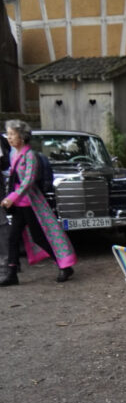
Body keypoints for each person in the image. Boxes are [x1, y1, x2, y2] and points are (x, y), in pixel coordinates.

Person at [0, 119, 76, 285]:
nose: (9, 138)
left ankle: (64, 265)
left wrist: (11, 197)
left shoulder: (31, 156)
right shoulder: (13, 154)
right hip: (19, 205)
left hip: (31, 204)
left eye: (12, 134)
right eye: (8, 134)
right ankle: (12, 273)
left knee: (39, 237)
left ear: (22, 137)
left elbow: (29, 180)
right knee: (13, 238)